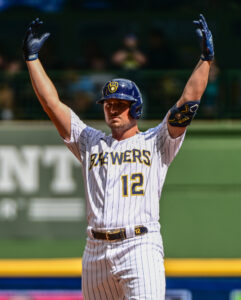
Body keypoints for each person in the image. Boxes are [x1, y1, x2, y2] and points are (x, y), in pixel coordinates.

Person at [22, 14, 214, 300]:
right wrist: (32, 60)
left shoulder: (157, 140)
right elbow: (53, 105)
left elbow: (187, 103)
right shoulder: (89, 142)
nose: (113, 109)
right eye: (108, 104)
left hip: (139, 245)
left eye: (120, 104)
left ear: (135, 109)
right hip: (95, 250)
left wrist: (206, 60)